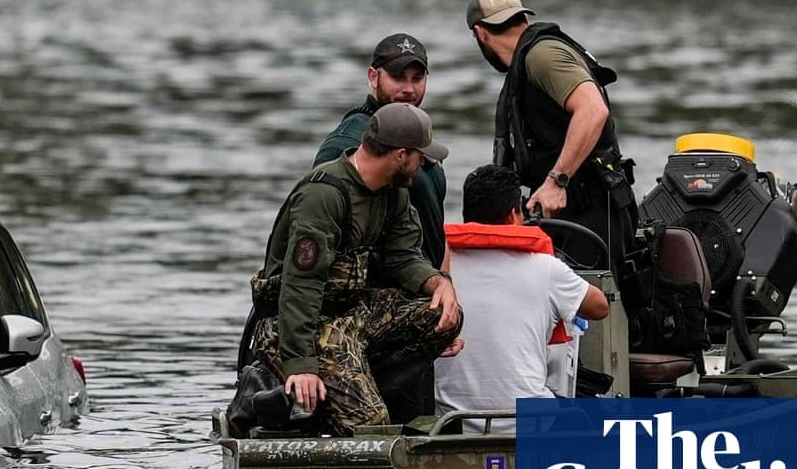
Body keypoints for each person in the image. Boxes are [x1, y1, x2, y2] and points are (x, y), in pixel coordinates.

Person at [248, 103, 464, 436]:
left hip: (351, 318)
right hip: (293, 326)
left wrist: (439, 283)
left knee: (444, 315)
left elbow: (405, 257)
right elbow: (300, 286)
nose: (424, 164)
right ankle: (281, 400)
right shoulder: (323, 195)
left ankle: (351, 388)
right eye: (421, 156)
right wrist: (301, 365)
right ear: (400, 155)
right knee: (371, 427)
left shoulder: (393, 194)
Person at [313, 33, 452, 424]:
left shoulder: (418, 139)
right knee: (384, 427)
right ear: (373, 77)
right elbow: (324, 238)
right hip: (371, 319)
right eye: (398, 77)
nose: (408, 89)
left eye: (417, 78)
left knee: (417, 426)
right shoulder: (349, 143)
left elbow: (430, 230)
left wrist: (441, 291)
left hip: (413, 306)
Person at [466, 0, 638, 278]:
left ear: (480, 33)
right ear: (522, 19)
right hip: (570, 213)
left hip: (591, 212)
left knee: (592, 316)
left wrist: (557, 180)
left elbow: (593, 110)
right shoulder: (527, 61)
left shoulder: (541, 56)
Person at [435, 165, 609, 432]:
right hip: (530, 423)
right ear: (513, 214)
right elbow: (599, 307)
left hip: (451, 424)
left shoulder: (437, 269)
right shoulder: (545, 268)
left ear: (465, 215)